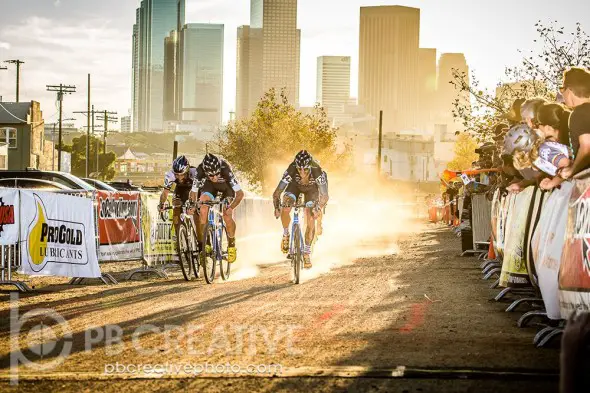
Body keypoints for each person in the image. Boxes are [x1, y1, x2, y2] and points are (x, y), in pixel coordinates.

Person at [273, 150, 329, 269]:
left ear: (310, 167)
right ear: (296, 167)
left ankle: (307, 252)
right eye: (299, 169)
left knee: (310, 216)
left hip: (312, 190)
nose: (302, 173)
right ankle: (286, 234)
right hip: (295, 187)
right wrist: (277, 207)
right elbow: (277, 192)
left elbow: (324, 196)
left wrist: (317, 208)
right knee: (286, 205)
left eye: (306, 170)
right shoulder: (291, 169)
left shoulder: (317, 171)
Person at [189, 153, 244, 264]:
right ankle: (207, 243)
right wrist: (193, 205)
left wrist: (231, 207)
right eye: (211, 175)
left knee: (227, 215)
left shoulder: (225, 169)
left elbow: (240, 194)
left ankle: (232, 244)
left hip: (226, 188)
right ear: (205, 172)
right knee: (203, 208)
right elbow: (193, 192)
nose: (215, 177)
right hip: (210, 187)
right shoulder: (200, 170)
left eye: (217, 174)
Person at [557, 67, 590, 180]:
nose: (562, 95)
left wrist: (572, 170)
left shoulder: (578, 113)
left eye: (562, 89)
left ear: (569, 90)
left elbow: (587, 146)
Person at [158, 155, 199, 236]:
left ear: (187, 171)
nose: (179, 177)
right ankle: (178, 235)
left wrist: (195, 204)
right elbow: (165, 192)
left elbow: (199, 190)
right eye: (177, 174)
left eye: (182, 174)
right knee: (176, 206)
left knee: (196, 211)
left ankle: (201, 239)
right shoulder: (170, 175)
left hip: (195, 190)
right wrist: (161, 204)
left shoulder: (195, 172)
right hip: (180, 189)